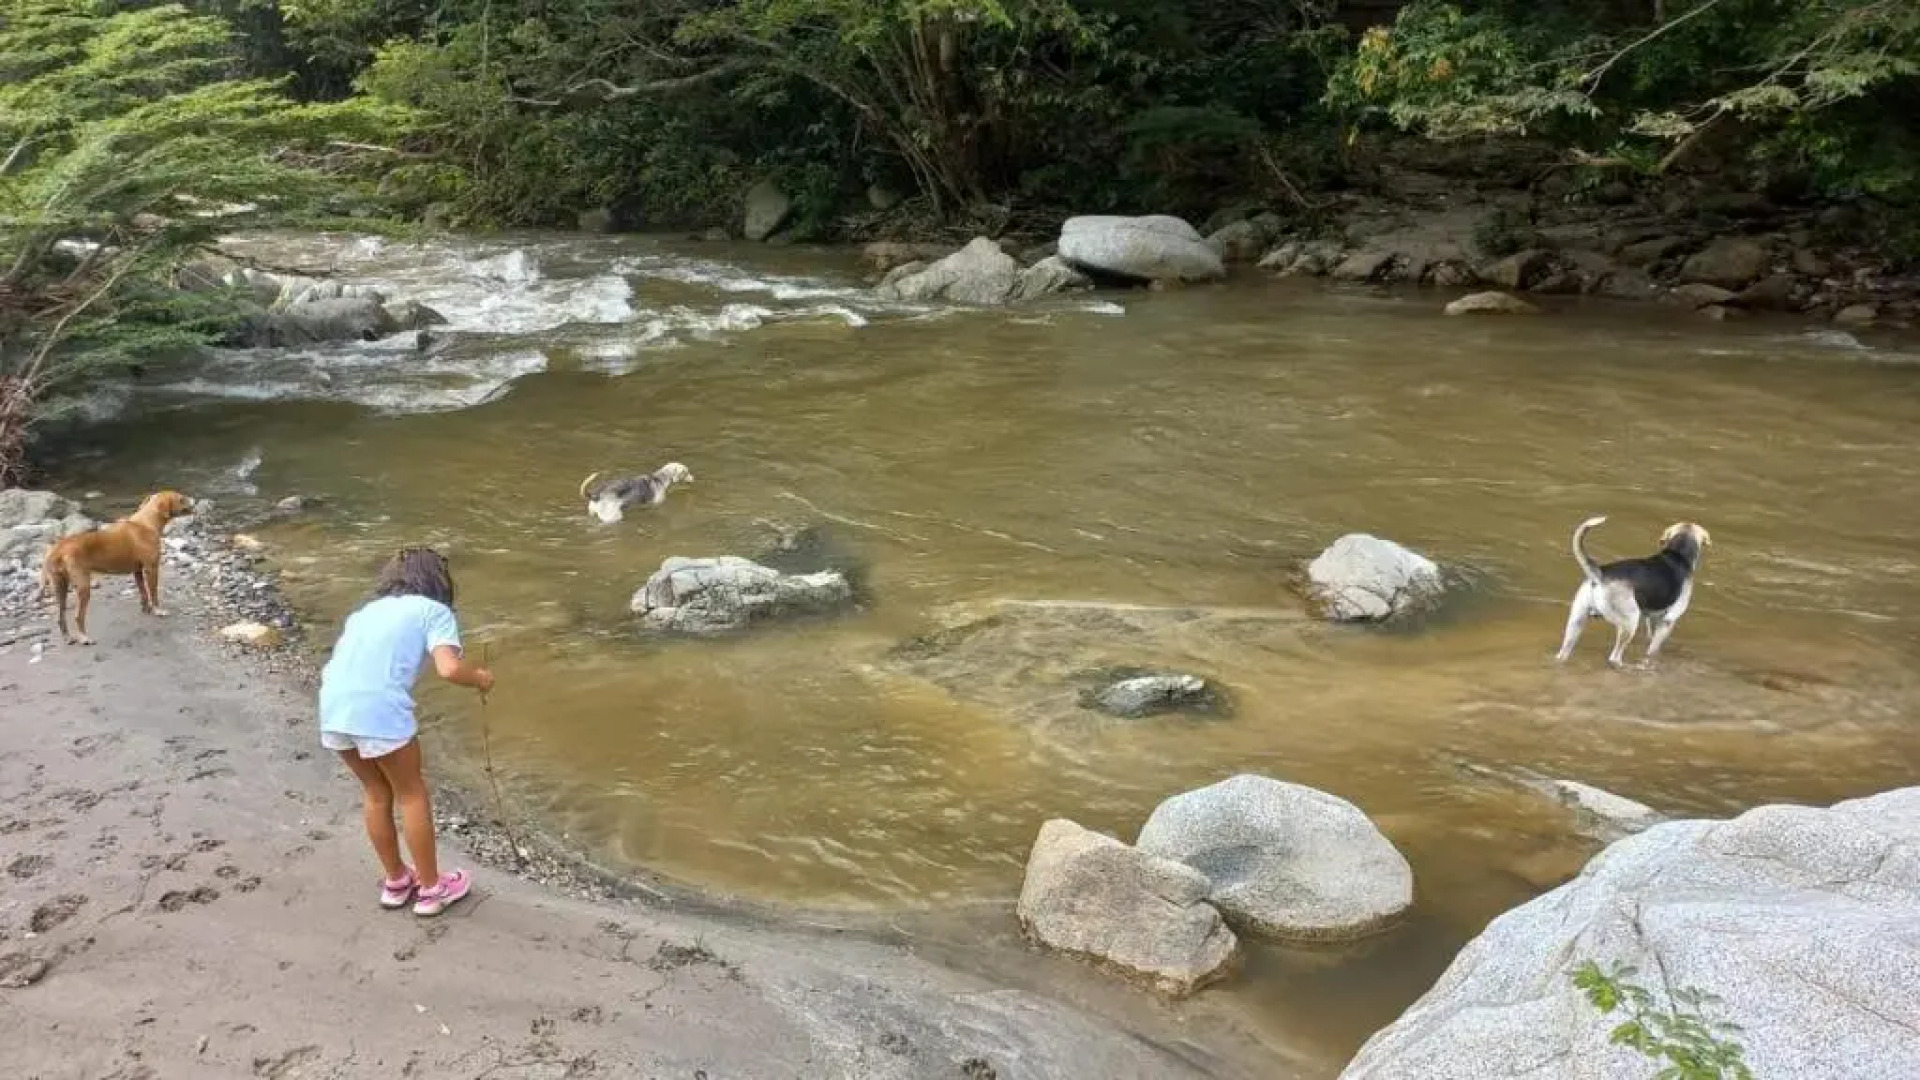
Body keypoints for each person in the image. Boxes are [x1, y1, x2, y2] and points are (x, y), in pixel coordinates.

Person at [319, 547, 493, 916]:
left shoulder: (365, 612)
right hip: (378, 710)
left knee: (376, 792)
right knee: (412, 794)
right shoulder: (435, 612)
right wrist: (479, 678)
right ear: (438, 580)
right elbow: (448, 669)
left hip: (333, 706)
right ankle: (432, 890)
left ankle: (397, 881)